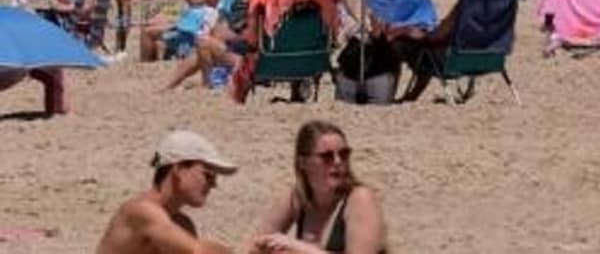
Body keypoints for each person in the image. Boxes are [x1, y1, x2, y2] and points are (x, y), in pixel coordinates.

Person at [253, 120, 387, 253]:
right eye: (327, 157)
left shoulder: (360, 199)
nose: (338, 161)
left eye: (344, 154)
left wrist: (298, 247)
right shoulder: (297, 196)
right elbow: (256, 243)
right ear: (303, 163)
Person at [96, 129, 237, 254]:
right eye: (208, 176)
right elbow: (197, 251)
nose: (213, 185)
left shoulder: (182, 224)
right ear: (179, 169)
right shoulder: (141, 211)